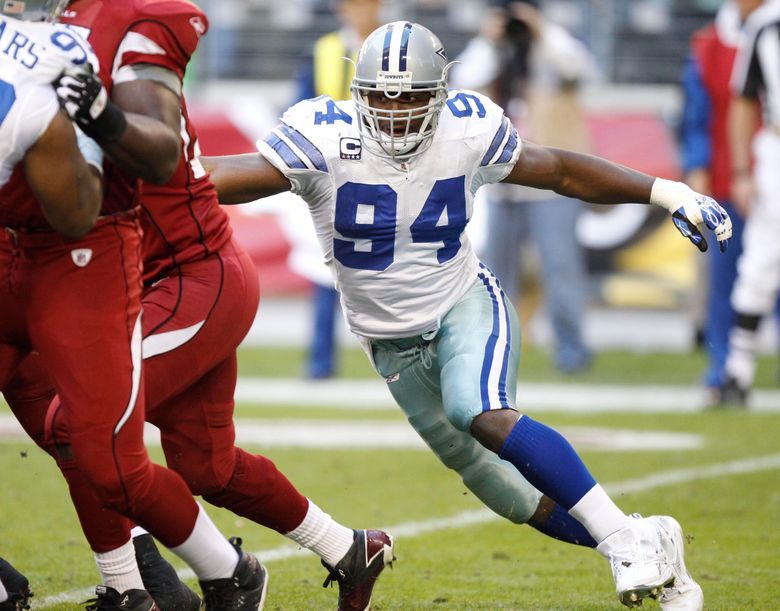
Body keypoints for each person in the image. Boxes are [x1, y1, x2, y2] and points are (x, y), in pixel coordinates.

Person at [204, 21, 730, 610]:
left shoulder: (467, 128)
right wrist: (144, 177)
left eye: (410, 97)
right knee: (511, 498)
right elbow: (224, 179)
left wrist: (665, 191)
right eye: (381, 95)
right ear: (359, 94)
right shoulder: (322, 137)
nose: (396, 111)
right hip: (388, 342)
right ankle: (651, 543)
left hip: (463, 304)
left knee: (476, 409)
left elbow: (558, 169)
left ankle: (623, 537)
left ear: (441, 95)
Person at [25, 2, 395, 610]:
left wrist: (99, 113)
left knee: (74, 425)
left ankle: (135, 586)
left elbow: (159, 150)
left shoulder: (131, 30)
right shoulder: (55, 37)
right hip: (152, 279)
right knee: (208, 468)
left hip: (192, 277)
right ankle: (349, 549)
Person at [0, 2, 266, 610]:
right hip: (8, 244)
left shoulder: (113, 30)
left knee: (111, 457)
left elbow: (120, 183)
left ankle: (223, 573)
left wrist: (91, 116)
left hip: (84, 254)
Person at [451, 0, 594, 373]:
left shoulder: (553, 48)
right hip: (503, 183)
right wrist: (488, 40)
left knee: (560, 270)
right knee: (496, 274)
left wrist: (541, 30)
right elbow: (461, 84)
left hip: (551, 185)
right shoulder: (493, 53)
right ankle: (498, 349)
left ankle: (572, 352)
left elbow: (577, 66)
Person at [680, 0, 765, 404]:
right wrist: (697, 166)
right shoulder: (710, 44)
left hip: (767, 175)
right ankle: (722, 369)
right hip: (731, 177)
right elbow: (697, 113)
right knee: (725, 279)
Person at [293, 0, 383, 379]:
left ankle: (403, 366)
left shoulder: (393, 48)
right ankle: (320, 363)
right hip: (334, 175)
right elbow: (299, 107)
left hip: (385, 173)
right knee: (325, 268)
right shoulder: (324, 50)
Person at [716, 0, 780, 406]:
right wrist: (741, 170)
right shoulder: (765, 23)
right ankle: (737, 373)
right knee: (760, 261)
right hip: (776, 147)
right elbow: (743, 99)